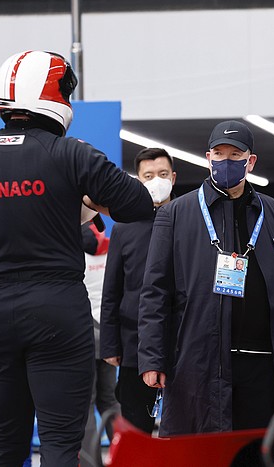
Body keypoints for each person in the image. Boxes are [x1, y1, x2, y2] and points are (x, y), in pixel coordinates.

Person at [0, 50, 153, 466]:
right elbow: (139, 203)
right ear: (51, 95)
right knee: (60, 446)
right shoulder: (72, 154)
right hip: (58, 309)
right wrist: (88, 202)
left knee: (3, 444)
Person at [138, 121, 274, 435]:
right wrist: (152, 358)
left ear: (251, 161)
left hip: (266, 366)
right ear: (208, 157)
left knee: (263, 450)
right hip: (200, 360)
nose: (226, 162)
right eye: (219, 154)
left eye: (235, 155)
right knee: (204, 449)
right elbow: (155, 292)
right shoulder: (176, 215)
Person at [100, 148, 176, 435]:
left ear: (174, 177)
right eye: (149, 175)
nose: (157, 180)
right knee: (135, 428)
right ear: (138, 180)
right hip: (134, 345)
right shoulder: (124, 227)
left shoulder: (190, 221)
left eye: (163, 174)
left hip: (181, 341)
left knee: (181, 427)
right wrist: (110, 345)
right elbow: (112, 290)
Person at [79, 223, 119, 467]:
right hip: (108, 337)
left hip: (83, 336)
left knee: (86, 404)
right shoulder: (112, 251)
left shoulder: (73, 253)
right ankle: (125, 454)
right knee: (110, 400)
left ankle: (90, 462)